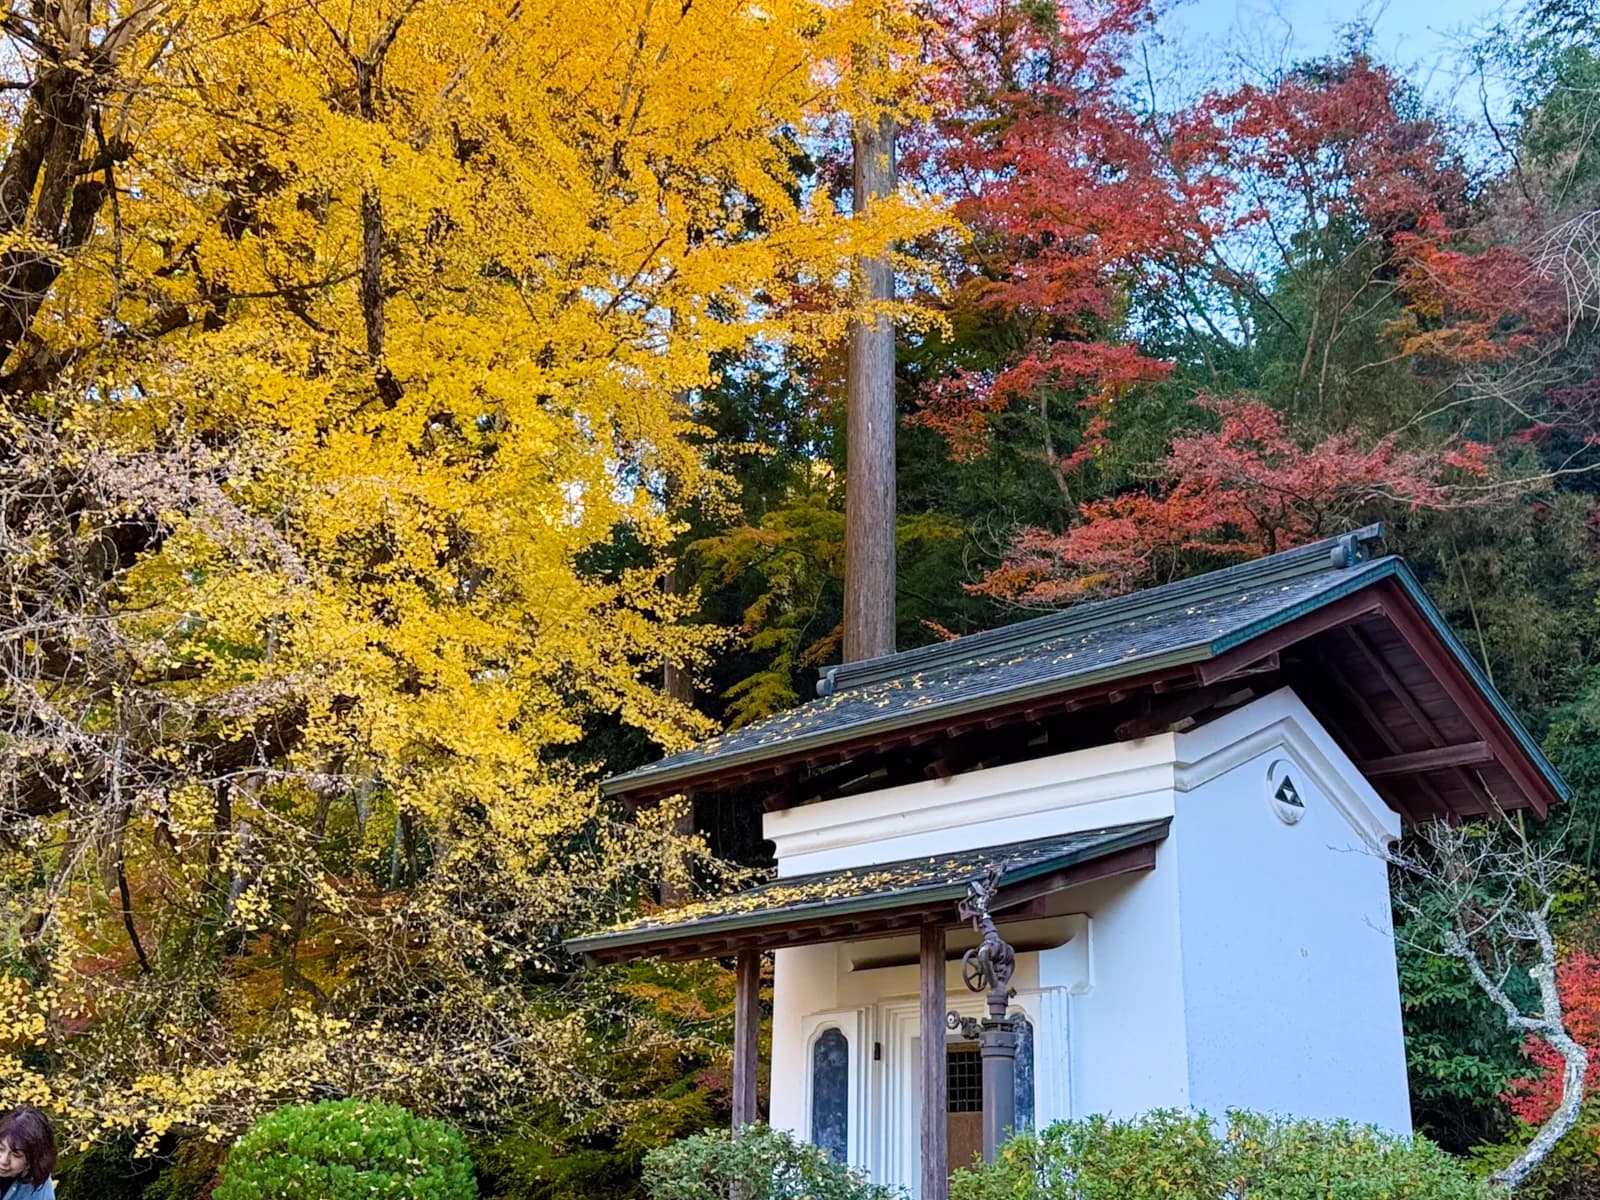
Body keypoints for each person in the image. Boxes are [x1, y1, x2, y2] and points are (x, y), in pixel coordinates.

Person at [0, 1107, 55, 1199]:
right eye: (1, 1149)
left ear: (32, 1161)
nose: (3, 1160)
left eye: (16, 1155)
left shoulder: (38, 1181)